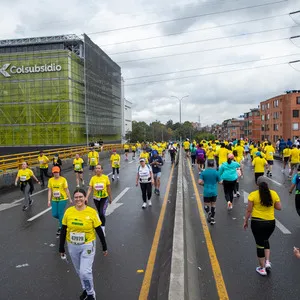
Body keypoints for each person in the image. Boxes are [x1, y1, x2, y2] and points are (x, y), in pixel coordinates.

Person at [59, 188, 107, 300]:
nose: (78, 199)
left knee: (85, 272)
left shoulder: (91, 212)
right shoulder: (69, 212)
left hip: (88, 245)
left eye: (81, 196)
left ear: (85, 198)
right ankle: (85, 289)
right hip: (72, 245)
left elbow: (99, 230)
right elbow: (64, 229)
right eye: (76, 197)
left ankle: (91, 294)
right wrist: (61, 248)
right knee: (79, 271)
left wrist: (104, 246)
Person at [243, 176, 281, 276]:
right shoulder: (273, 193)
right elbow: (279, 207)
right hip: (270, 223)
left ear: (257, 184)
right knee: (265, 240)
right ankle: (267, 261)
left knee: (259, 244)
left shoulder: (253, 195)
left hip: (257, 223)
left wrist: (245, 221)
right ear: (267, 184)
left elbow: (249, 210)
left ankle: (262, 268)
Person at [86, 165, 112, 235]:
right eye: (96, 168)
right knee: (99, 213)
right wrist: (86, 197)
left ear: (102, 170)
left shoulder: (105, 177)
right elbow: (90, 188)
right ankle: (101, 224)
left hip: (104, 198)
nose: (97, 170)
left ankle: (102, 228)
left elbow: (108, 188)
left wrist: (110, 197)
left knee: (101, 213)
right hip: (96, 198)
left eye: (99, 168)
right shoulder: (93, 178)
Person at [48, 166, 72, 236]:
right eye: (54, 172)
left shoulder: (63, 180)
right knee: (55, 214)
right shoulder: (50, 180)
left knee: (60, 213)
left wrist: (70, 198)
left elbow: (66, 189)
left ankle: (61, 228)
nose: (56, 174)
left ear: (59, 172)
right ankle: (64, 220)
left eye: (57, 172)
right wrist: (49, 200)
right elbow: (49, 190)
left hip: (62, 199)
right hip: (54, 199)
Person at [199, 160, 222, 225]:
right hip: (214, 192)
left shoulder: (203, 172)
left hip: (206, 192)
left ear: (207, 165)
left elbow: (199, 182)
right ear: (213, 165)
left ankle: (208, 212)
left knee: (206, 205)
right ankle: (212, 219)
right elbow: (220, 182)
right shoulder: (216, 172)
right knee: (213, 205)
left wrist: (204, 184)